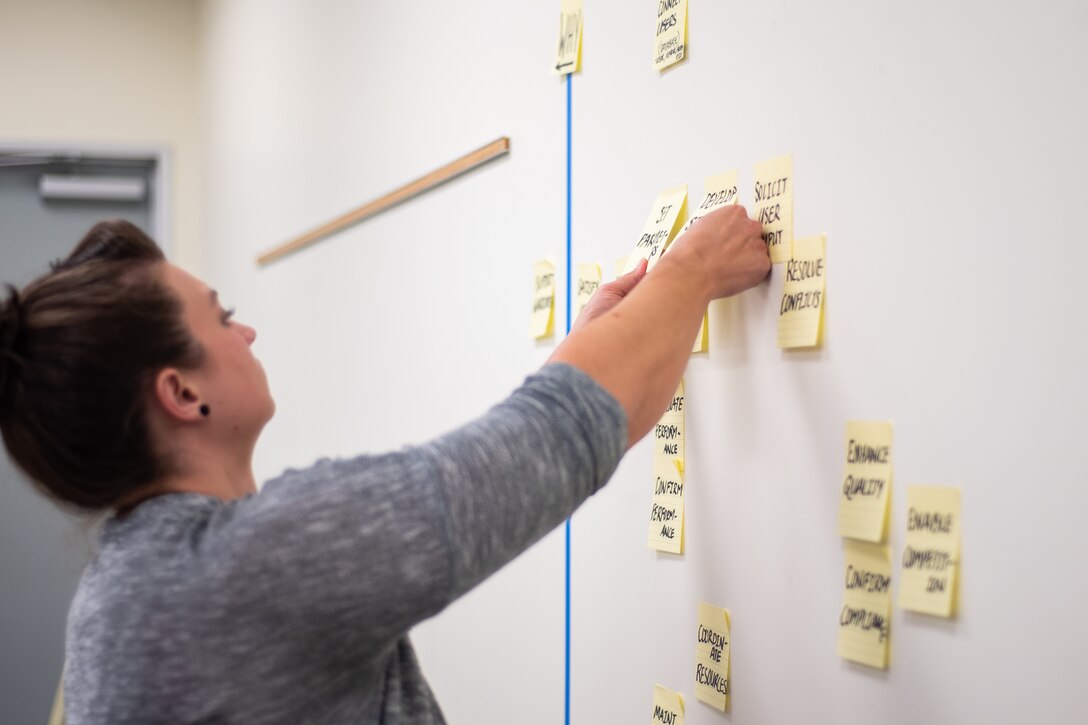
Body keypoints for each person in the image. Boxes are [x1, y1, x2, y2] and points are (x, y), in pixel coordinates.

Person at [0, 207, 769, 724]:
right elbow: (554, 439)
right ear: (181, 392)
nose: (249, 332)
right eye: (224, 317)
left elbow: (559, 433)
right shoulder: (250, 568)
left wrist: (608, 343)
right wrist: (695, 265)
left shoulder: (123, 593)